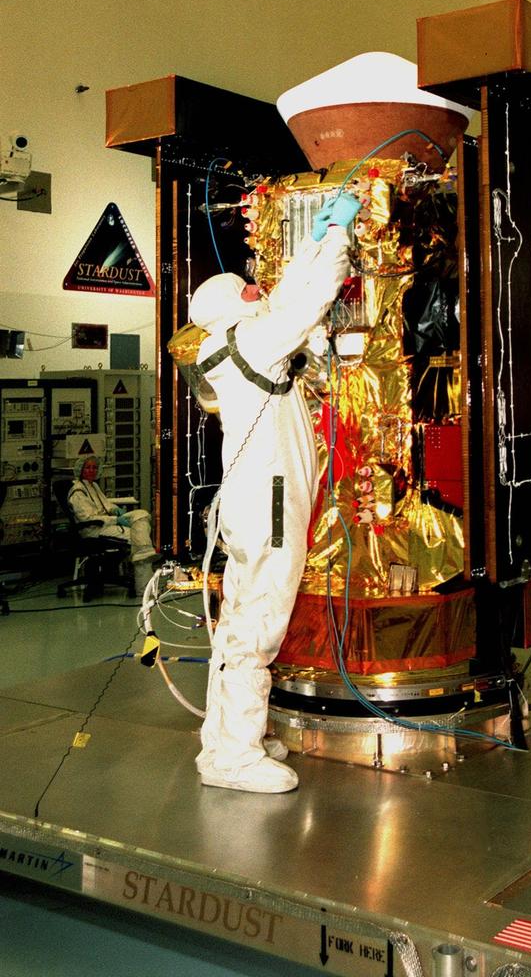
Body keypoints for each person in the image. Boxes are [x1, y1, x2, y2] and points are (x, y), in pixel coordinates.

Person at [187, 191, 359, 794]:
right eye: (251, 289)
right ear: (238, 302)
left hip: (252, 500)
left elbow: (284, 297)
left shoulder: (229, 343)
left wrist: (312, 233)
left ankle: (230, 738)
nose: (261, 292)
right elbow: (305, 302)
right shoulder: (253, 342)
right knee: (259, 620)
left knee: (240, 616)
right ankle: (235, 757)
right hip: (269, 502)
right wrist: (338, 238)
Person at [67, 455, 156, 594]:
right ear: (80, 470)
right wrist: (116, 520)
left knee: (142, 514)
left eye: (95, 468)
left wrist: (115, 509)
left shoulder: (93, 485)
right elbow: (89, 518)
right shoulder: (78, 491)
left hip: (106, 524)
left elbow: (106, 505)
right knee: (139, 538)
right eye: (88, 467)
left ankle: (144, 553)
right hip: (94, 529)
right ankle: (143, 588)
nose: (92, 471)